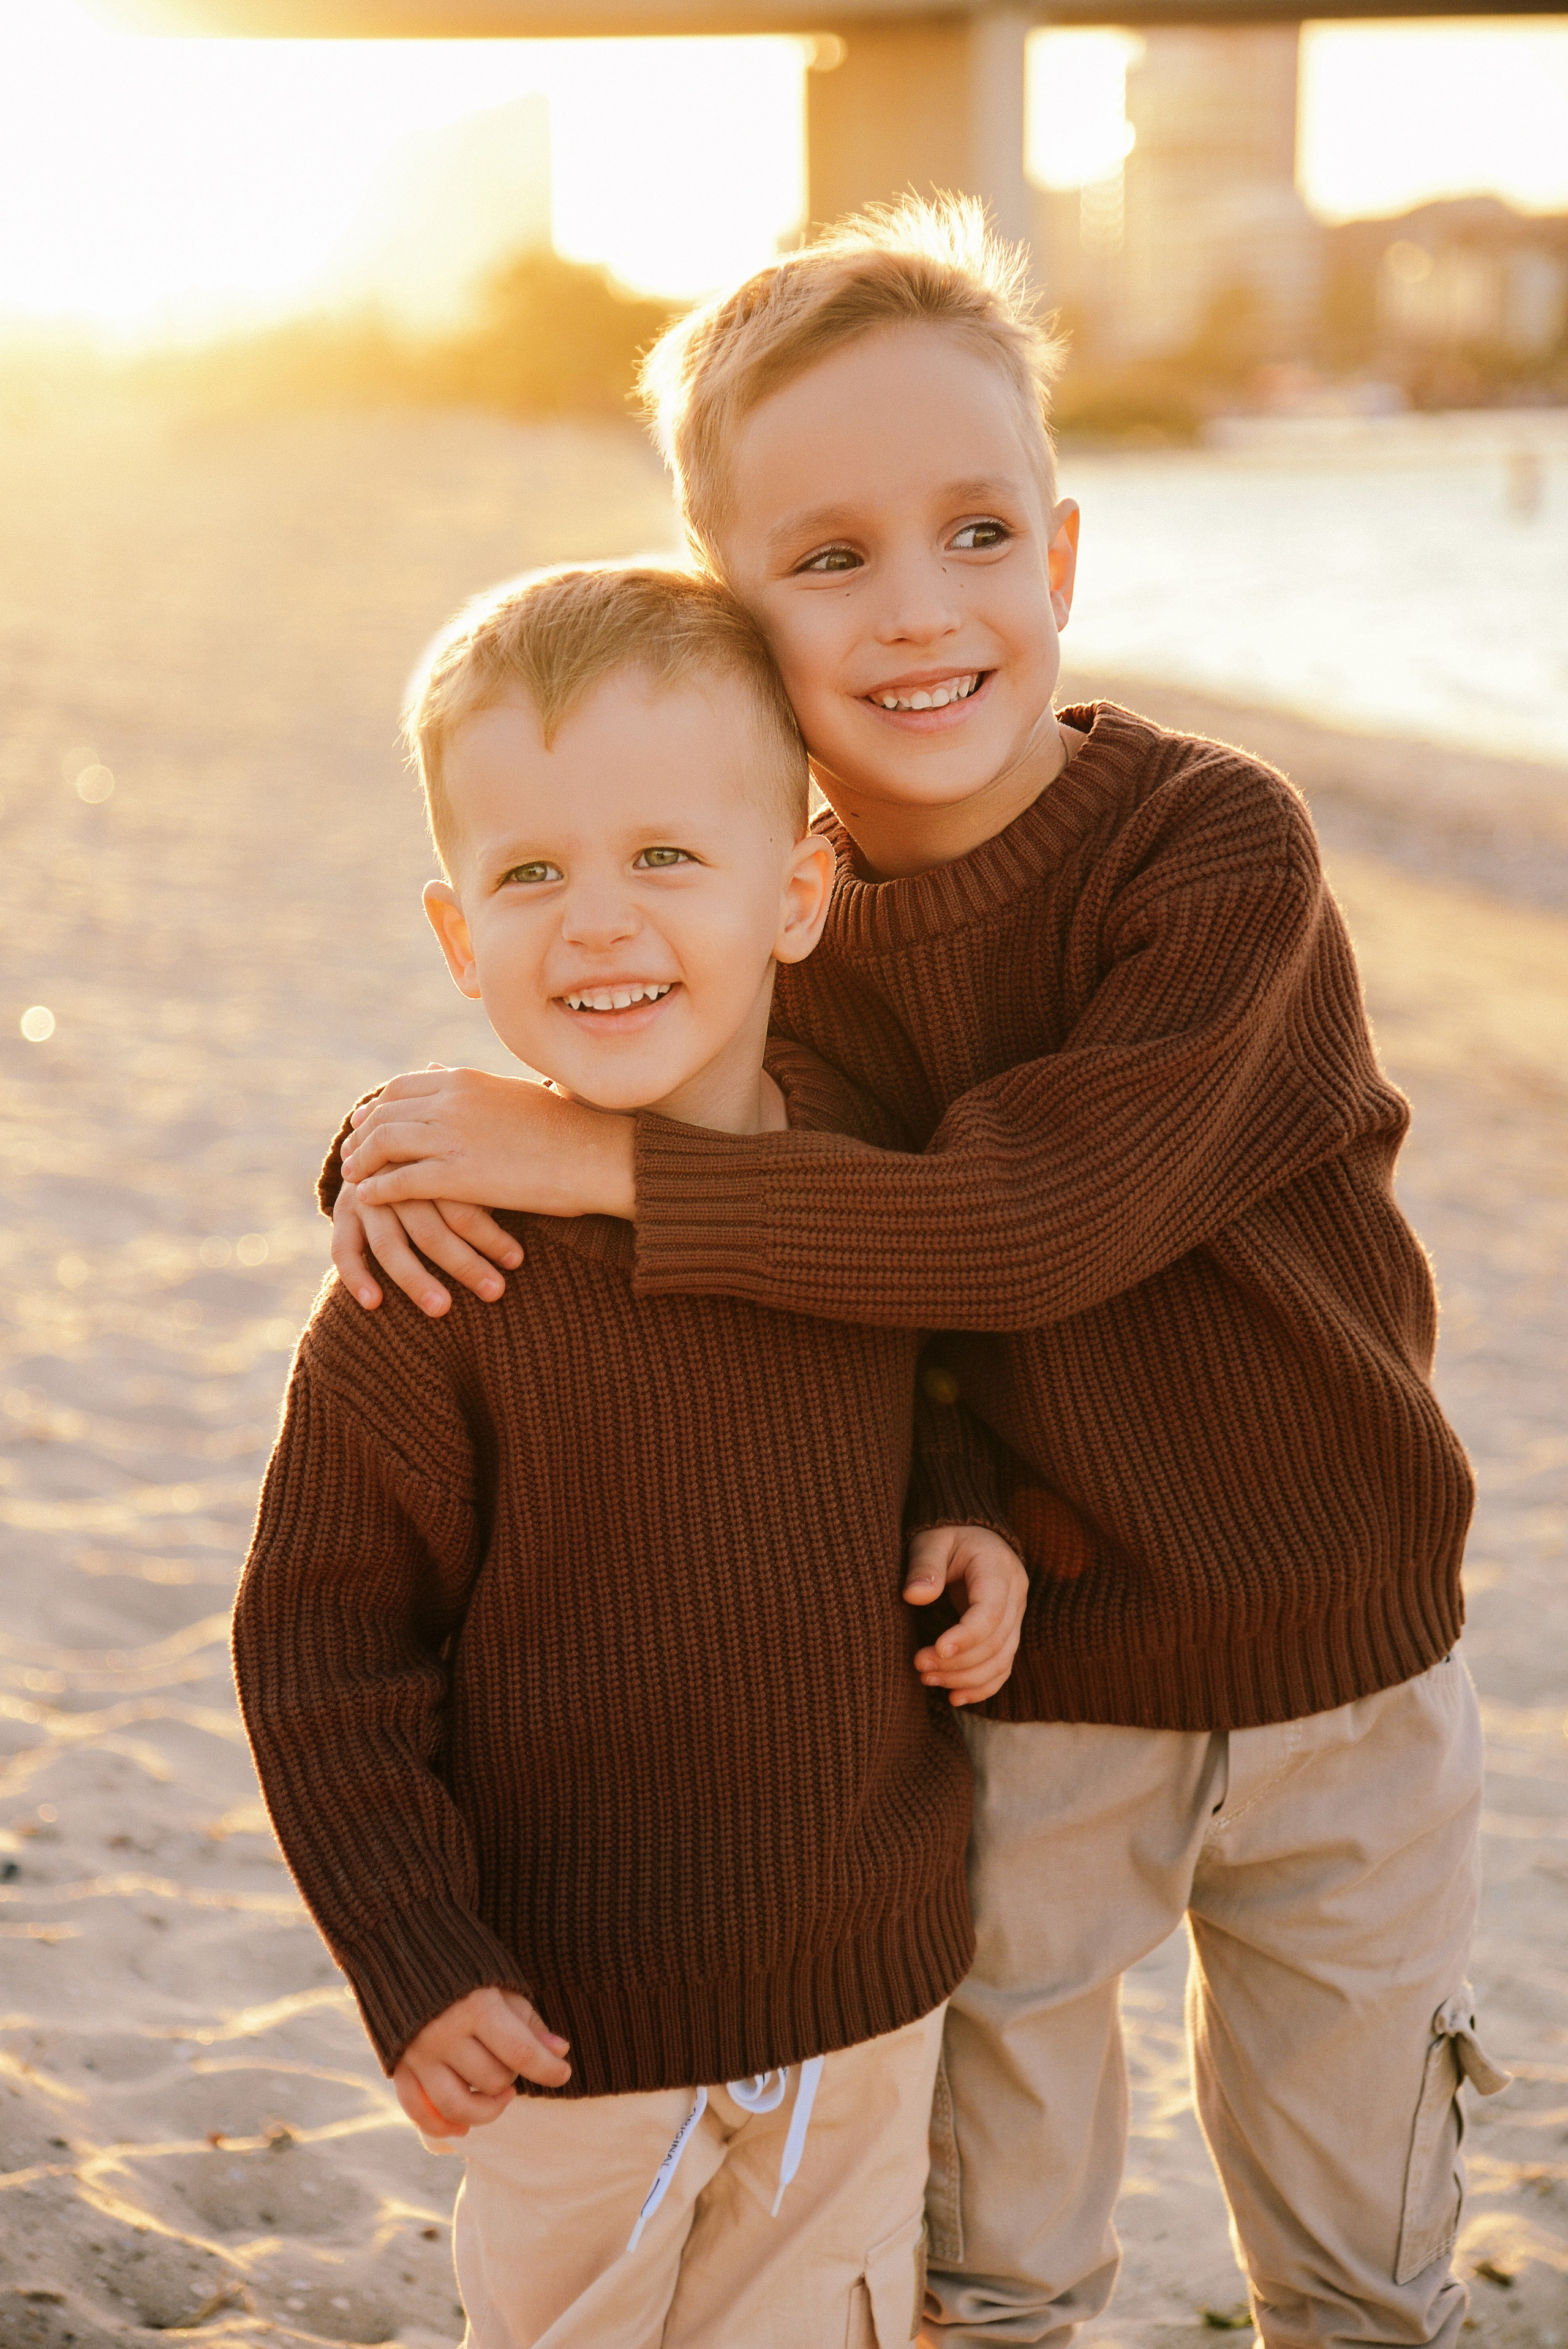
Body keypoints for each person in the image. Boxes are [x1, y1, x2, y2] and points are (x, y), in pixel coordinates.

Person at [322, 203, 1505, 2349]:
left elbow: (1023, 1221)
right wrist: (389, 1149)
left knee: (1358, 2252)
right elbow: (709, 1138)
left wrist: (582, 1156)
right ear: (738, 624)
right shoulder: (785, 929)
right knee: (998, 2256)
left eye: (976, 534)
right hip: (1032, 1688)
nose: (920, 607)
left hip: (1346, 1662)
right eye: (832, 557)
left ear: (1061, 561)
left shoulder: (1216, 855)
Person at [233, 560, 1031, 2349]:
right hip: (570, 2022)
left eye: (667, 855)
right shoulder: (436, 1283)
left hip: (861, 1978)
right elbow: (319, 1648)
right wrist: (416, 1956)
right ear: (459, 939)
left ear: (799, 889)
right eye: (533, 875)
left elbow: (931, 1376)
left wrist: (965, 1514)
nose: (598, 922)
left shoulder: (857, 1162)